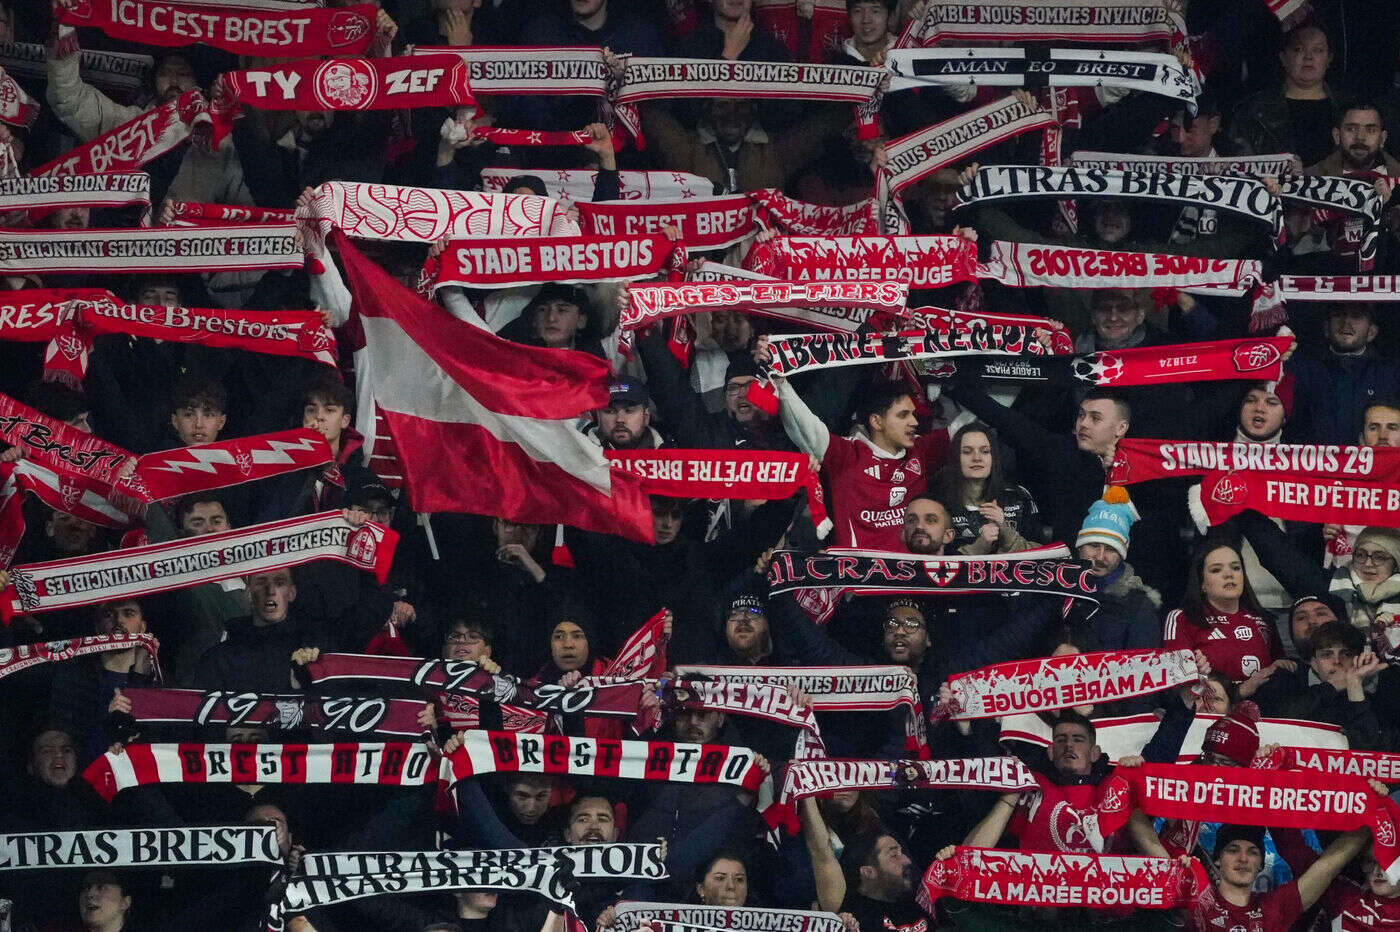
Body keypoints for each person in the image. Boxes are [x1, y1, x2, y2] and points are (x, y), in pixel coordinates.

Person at [766, 372, 949, 550]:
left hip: (911, 576)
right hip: (859, 576)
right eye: (903, 415)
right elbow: (805, 427)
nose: (914, 422)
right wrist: (781, 383)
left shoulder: (921, 450)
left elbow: (969, 428)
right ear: (877, 422)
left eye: (913, 414)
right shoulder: (845, 454)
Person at [1187, 824, 1371, 931]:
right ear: (1218, 859)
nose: (1243, 859)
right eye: (1233, 850)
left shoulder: (1273, 907)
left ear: (1260, 863)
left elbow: (1327, 867)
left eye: (1252, 852)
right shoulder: (1197, 900)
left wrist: (1372, 814)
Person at [1163, 542, 1284, 684]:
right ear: (1202, 583)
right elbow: (1176, 687)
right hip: (1212, 704)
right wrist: (1239, 692)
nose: (1229, 574)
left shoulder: (1263, 619)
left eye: (1236, 568)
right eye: (1216, 570)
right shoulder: (1183, 618)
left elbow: (1279, 670)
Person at [1287, 306, 1400, 445]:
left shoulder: (1390, 374)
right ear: (1327, 329)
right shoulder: (1302, 370)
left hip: (1374, 464)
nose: (1346, 322)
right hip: (1315, 463)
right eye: (1339, 314)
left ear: (1371, 332)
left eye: (1356, 316)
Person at [1228, 24, 1339, 165]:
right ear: (1283, 58)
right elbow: (1240, 164)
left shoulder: (1348, 108)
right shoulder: (1251, 110)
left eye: (1318, 50)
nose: (1309, 57)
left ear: (1329, 59)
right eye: (1299, 49)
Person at [1067, 493, 1162, 653]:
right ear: (1079, 547)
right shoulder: (1056, 592)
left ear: (1122, 556)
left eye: (1111, 549)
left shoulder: (1139, 606)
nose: (1100, 556)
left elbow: (1144, 668)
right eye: (1094, 545)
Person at [931, 422, 1039, 554]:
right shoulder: (938, 504)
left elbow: (1040, 552)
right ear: (956, 459)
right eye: (967, 452)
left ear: (993, 458)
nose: (977, 458)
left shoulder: (1019, 497)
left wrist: (1005, 532)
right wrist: (978, 547)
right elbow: (933, 558)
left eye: (985, 451)